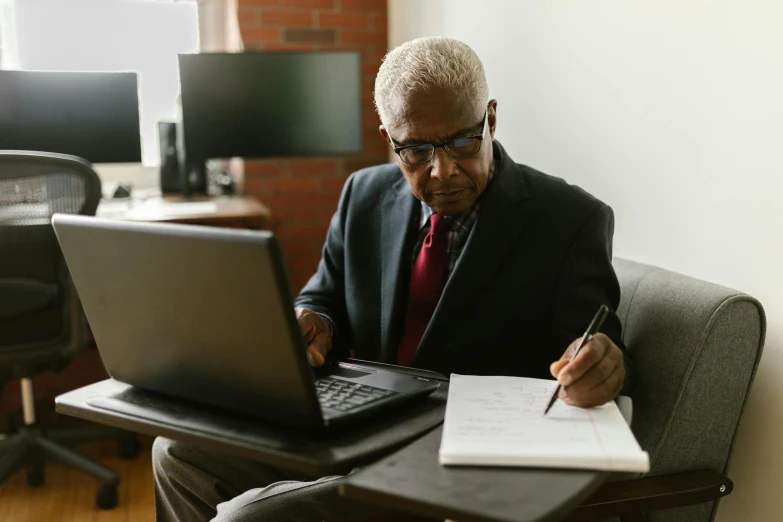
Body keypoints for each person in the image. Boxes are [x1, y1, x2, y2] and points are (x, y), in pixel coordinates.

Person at [152, 36, 636, 522]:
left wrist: (600, 366)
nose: (442, 170)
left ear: (490, 118)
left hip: (466, 461)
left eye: (463, 142)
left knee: (247, 518)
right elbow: (324, 295)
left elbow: (599, 347)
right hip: (361, 426)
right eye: (417, 150)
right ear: (390, 138)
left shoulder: (570, 219)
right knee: (176, 454)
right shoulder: (363, 194)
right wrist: (314, 320)